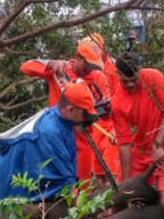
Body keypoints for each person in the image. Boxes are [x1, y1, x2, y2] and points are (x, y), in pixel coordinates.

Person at [0, 80, 97, 209]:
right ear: (70, 109)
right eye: (85, 114)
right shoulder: (50, 131)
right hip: (10, 181)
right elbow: (64, 176)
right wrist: (79, 211)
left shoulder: (62, 121)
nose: (86, 119)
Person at [20, 35, 117, 184]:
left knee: (83, 186)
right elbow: (26, 67)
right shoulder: (60, 70)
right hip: (56, 136)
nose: (90, 70)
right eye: (88, 65)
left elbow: (103, 111)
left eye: (94, 66)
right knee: (57, 183)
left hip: (83, 139)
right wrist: (50, 63)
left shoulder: (98, 78)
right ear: (78, 57)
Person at [111, 52, 164, 219]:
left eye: (133, 79)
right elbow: (125, 144)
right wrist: (127, 185)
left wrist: (158, 144)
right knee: (117, 199)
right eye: (125, 80)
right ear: (117, 74)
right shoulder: (117, 101)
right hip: (141, 149)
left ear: (140, 72)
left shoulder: (153, 78)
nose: (130, 84)